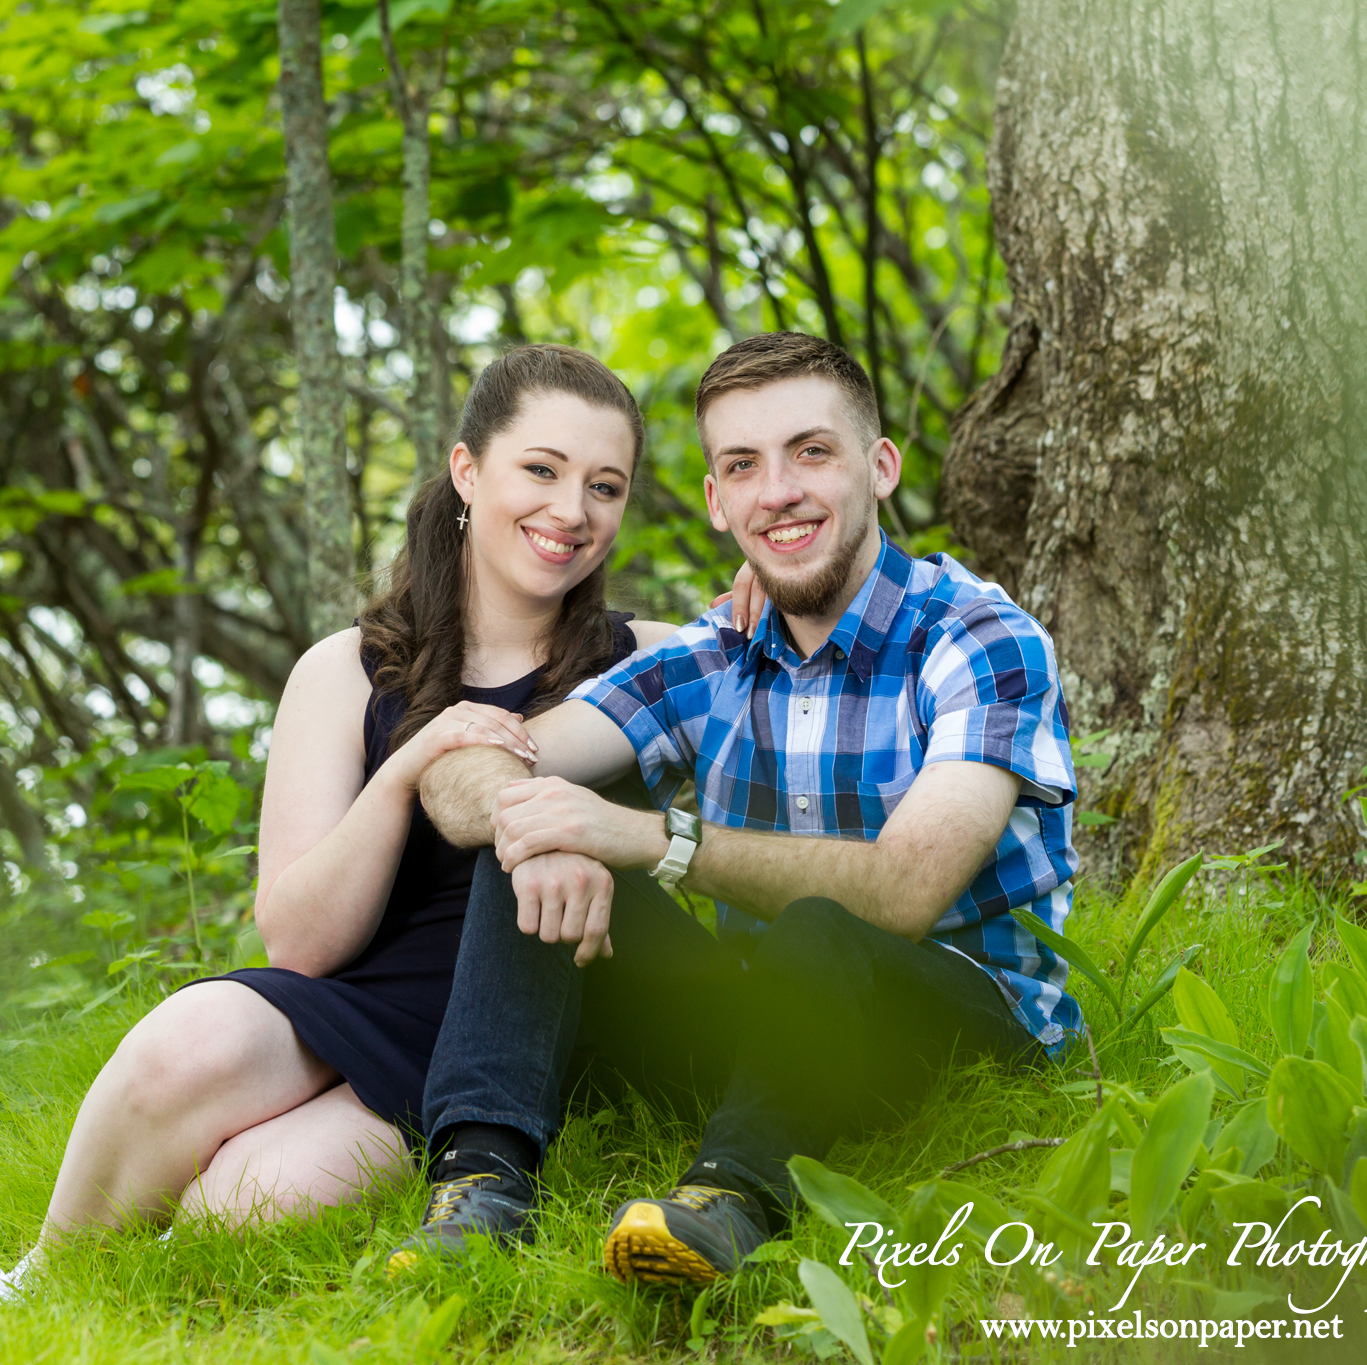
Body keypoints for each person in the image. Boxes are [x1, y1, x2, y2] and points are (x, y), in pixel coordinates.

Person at [0, 344, 681, 1315]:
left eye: (602, 486)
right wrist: (404, 769)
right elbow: (301, 942)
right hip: (371, 1004)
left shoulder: (648, 657)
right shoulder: (344, 672)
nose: (570, 511)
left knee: (234, 1216)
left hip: (533, 1025)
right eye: (541, 469)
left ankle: (453, 1150)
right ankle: (29, 1282)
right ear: (465, 470)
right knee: (187, 1037)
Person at [386, 331, 1083, 1285]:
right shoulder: (715, 653)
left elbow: (905, 888)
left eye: (811, 452)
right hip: (769, 1023)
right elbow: (461, 768)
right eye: (743, 465)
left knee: (819, 929)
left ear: (878, 468)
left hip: (957, 1026)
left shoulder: (974, 636)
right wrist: (536, 818)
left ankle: (728, 1195)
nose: (779, 491)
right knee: (533, 828)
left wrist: (642, 837)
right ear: (718, 500)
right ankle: (480, 1189)